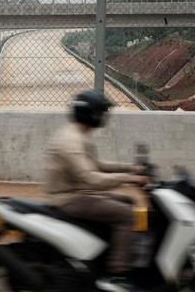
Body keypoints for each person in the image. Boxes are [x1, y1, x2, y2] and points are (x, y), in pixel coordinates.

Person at [43, 89, 149, 290]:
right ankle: (117, 273)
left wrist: (129, 168)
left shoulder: (78, 135)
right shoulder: (71, 141)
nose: (103, 116)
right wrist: (128, 179)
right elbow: (90, 178)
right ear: (91, 114)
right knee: (126, 215)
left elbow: (97, 165)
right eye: (101, 112)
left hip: (79, 193)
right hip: (69, 199)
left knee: (127, 202)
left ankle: (109, 253)